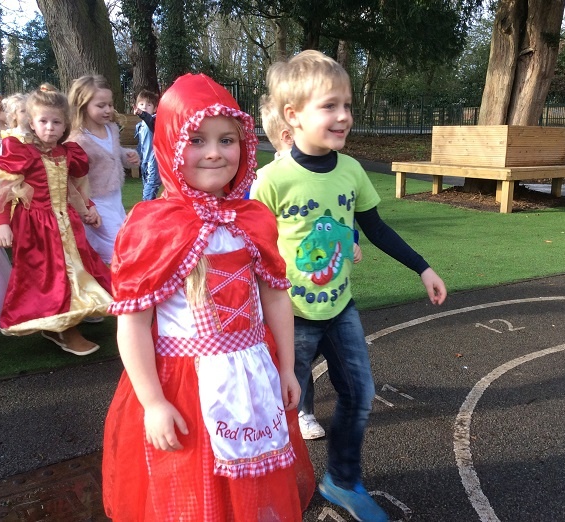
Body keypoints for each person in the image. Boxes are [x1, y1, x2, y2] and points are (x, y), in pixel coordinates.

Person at [102, 73, 315, 521]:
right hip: (185, 387)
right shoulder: (152, 227)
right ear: (170, 145)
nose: (215, 152)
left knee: (253, 484)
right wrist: (153, 401)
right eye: (196, 140)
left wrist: (286, 367)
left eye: (227, 140)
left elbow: (276, 298)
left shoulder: (253, 219)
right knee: (194, 482)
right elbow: (133, 323)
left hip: (253, 376)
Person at [250, 50, 447, 522]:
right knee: (279, 406)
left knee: (359, 394)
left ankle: (341, 478)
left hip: (340, 310)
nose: (344, 116)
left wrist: (422, 267)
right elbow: (249, 248)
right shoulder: (271, 180)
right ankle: (264, 488)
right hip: (290, 317)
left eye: (347, 105)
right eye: (330, 106)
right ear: (293, 116)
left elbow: (375, 227)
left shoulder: (351, 171)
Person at [260, 92, 363, 441]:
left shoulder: (336, 171)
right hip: (292, 300)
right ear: (289, 133)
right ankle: (303, 411)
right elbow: (256, 233)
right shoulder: (272, 179)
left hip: (331, 298)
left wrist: (353, 241)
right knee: (298, 361)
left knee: (335, 358)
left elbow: (342, 213)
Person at [0, 84, 112, 354]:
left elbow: (72, 186)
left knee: (75, 269)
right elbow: (5, 190)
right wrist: (3, 225)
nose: (50, 128)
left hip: (66, 221)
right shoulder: (21, 152)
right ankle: (62, 329)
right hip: (35, 225)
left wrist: (88, 208)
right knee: (48, 275)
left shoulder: (66, 152)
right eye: (43, 121)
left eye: (56, 122)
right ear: (32, 123)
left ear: (65, 124)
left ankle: (69, 318)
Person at [67, 74, 139, 264]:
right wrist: (86, 206)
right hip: (96, 201)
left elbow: (113, 152)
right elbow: (72, 179)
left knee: (124, 239)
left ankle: (112, 275)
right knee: (117, 246)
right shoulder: (78, 140)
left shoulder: (111, 128)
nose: (108, 110)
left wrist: (127, 156)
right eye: (101, 106)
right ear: (83, 105)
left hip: (115, 197)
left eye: (110, 104)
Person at [133, 89, 161, 200]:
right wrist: (136, 156)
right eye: (141, 104)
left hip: (154, 160)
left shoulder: (154, 121)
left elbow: (150, 121)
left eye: (148, 105)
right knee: (146, 186)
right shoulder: (139, 126)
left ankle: (147, 206)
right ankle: (150, 206)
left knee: (151, 187)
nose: (144, 107)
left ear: (155, 108)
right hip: (144, 161)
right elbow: (141, 144)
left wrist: (142, 114)